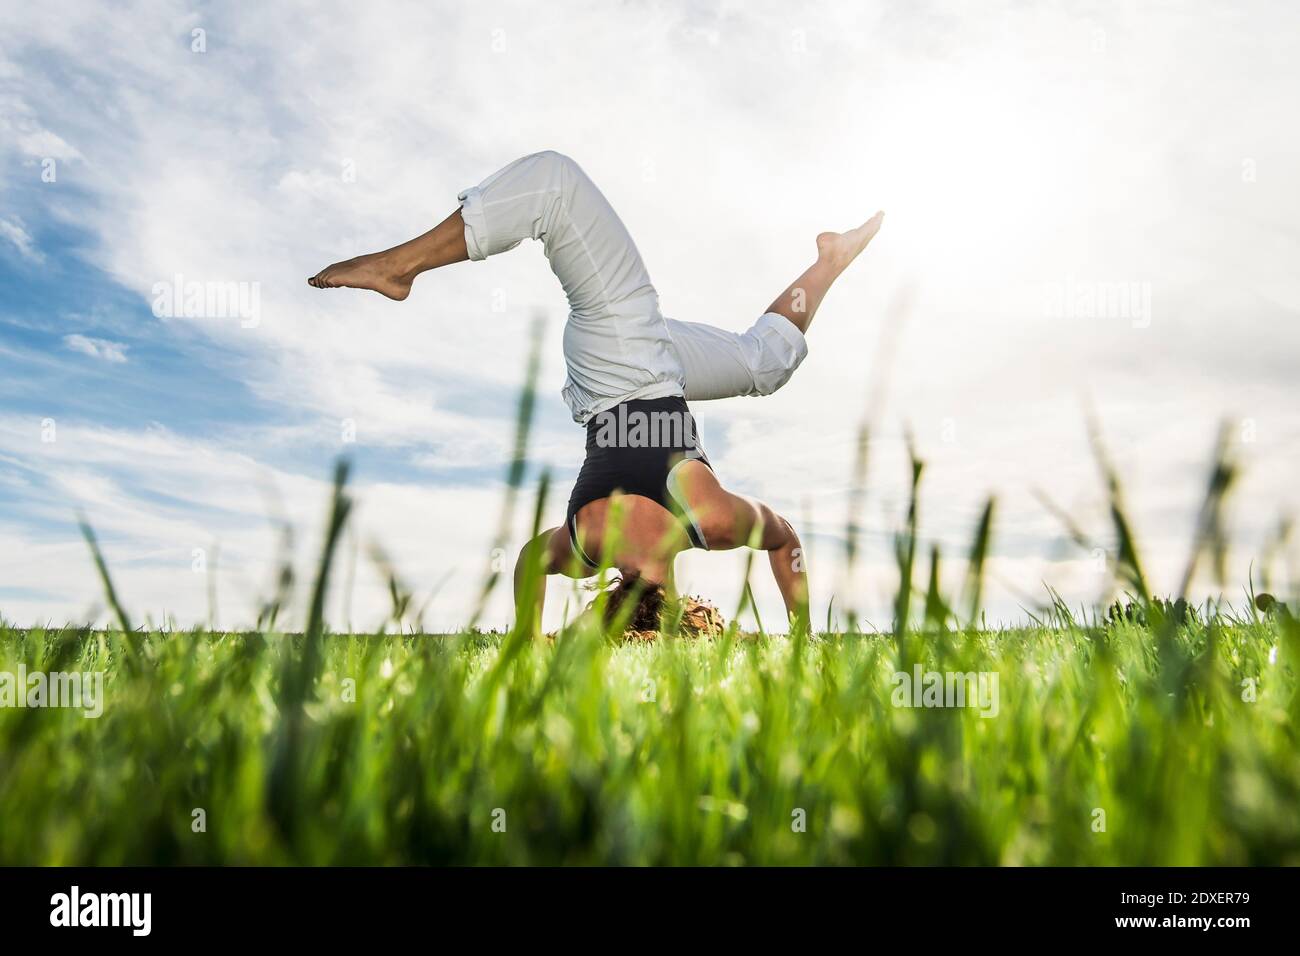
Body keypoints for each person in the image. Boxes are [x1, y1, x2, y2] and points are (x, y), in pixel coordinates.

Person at [309, 151, 882, 633]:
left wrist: (807, 639)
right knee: (763, 365)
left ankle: (399, 268)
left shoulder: (709, 523)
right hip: (650, 365)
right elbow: (530, 564)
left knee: (556, 186)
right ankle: (829, 260)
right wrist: (528, 640)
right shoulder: (587, 548)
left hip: (618, 358)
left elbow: (786, 542)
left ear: (675, 605)